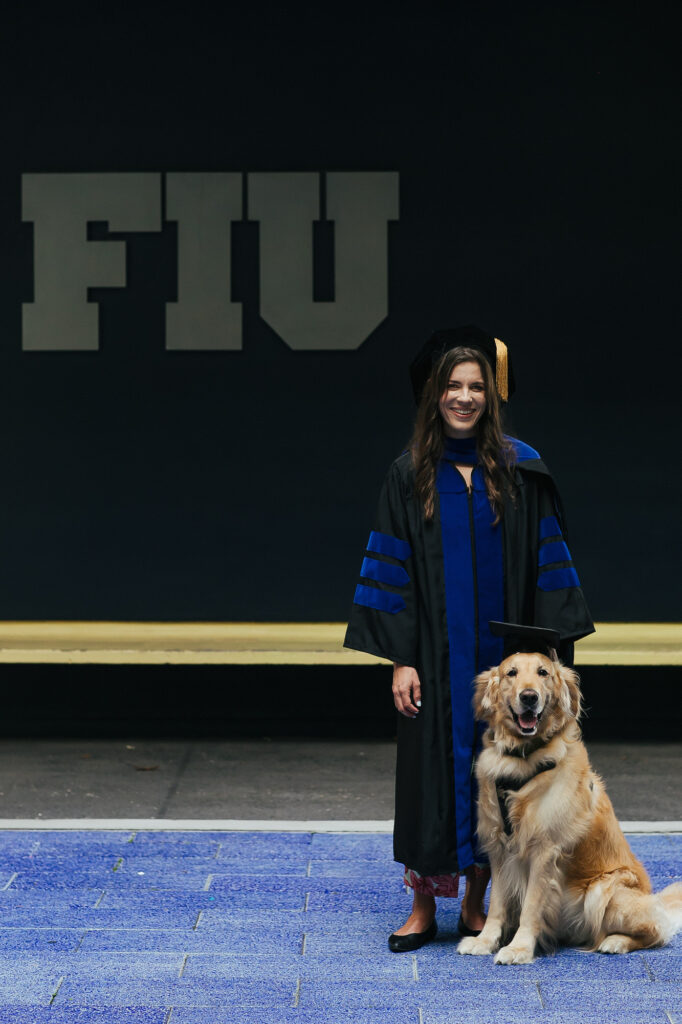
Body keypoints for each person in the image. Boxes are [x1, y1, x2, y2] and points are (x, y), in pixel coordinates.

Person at [343, 325, 594, 952]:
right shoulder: (408, 476)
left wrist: (547, 660)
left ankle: (482, 903)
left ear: (491, 395)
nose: (464, 397)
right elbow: (391, 568)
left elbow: (548, 562)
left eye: (475, 386)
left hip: (501, 663)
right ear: (434, 395)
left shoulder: (519, 471)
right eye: (452, 386)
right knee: (429, 775)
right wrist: (402, 659)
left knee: (500, 777)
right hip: (433, 657)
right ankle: (424, 907)